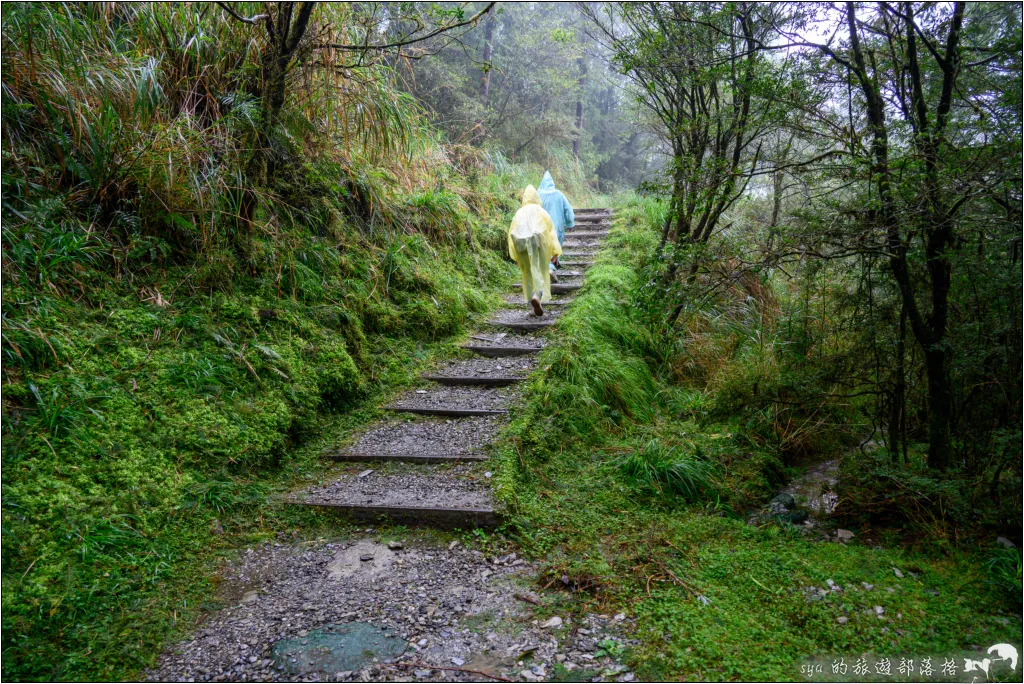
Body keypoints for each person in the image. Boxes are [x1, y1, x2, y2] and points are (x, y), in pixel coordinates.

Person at [508, 185, 562, 316]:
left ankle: (533, 296)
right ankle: (537, 296)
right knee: (540, 269)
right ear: (536, 198)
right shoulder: (541, 211)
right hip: (537, 243)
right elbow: (551, 232)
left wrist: (516, 257)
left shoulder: (519, 213)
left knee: (528, 271)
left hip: (521, 245)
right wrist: (555, 252)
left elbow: (511, 235)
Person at [536, 171, 575, 275]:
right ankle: (551, 268)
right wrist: (570, 224)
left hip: (542, 227)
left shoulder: (538, 194)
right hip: (557, 227)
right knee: (556, 246)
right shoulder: (559, 194)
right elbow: (568, 209)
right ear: (552, 183)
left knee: (544, 246)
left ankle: (546, 268)